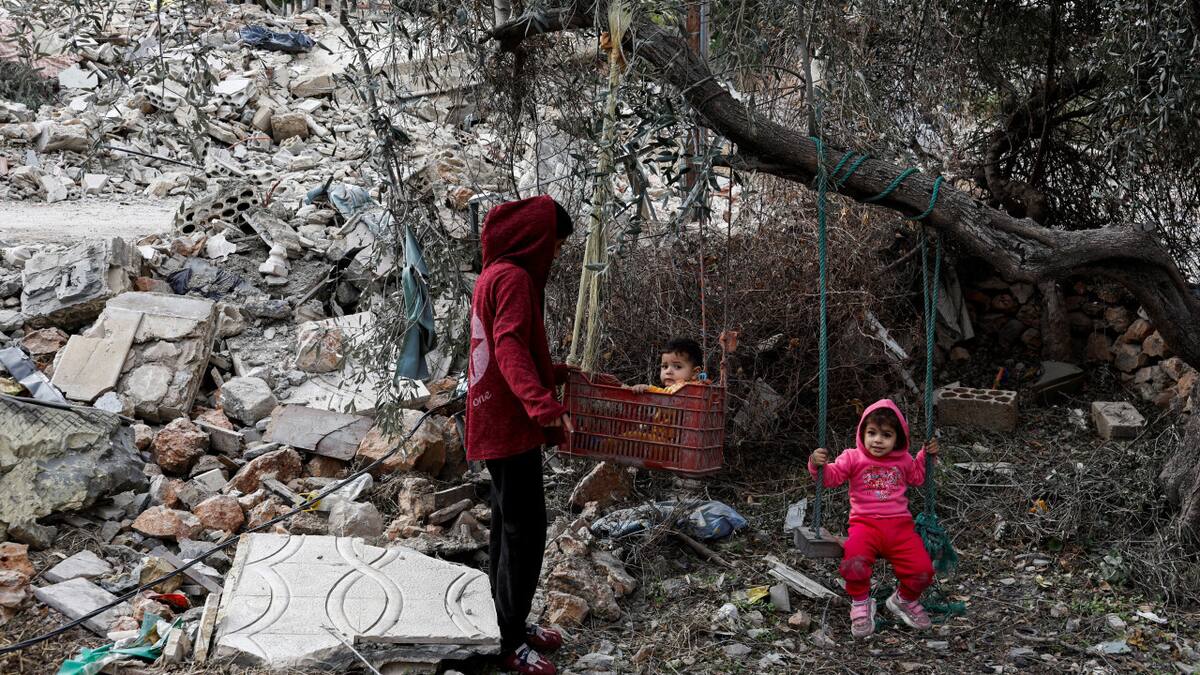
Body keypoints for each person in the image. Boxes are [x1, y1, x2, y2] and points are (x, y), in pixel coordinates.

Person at [466, 194, 576, 675]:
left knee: (507, 529)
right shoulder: (514, 279)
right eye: (554, 244)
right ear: (535, 240)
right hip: (510, 426)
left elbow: (503, 349)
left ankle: (505, 621)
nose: (554, 254)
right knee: (526, 533)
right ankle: (510, 641)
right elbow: (509, 344)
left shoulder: (494, 275)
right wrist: (542, 404)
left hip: (495, 419)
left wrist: (552, 372)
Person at [809, 399, 940, 639]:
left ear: (897, 439)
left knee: (923, 571)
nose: (877, 440)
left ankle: (903, 599)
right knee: (853, 563)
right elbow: (830, 478)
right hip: (864, 526)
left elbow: (919, 477)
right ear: (862, 432)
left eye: (886, 435)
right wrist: (817, 465)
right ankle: (860, 602)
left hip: (900, 528)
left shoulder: (903, 460)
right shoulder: (852, 457)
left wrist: (925, 455)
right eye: (872, 433)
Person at [628, 337, 705, 394]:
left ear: (695, 373)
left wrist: (648, 389)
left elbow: (666, 399)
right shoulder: (673, 388)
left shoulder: (689, 390)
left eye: (677, 367)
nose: (668, 371)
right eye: (665, 366)